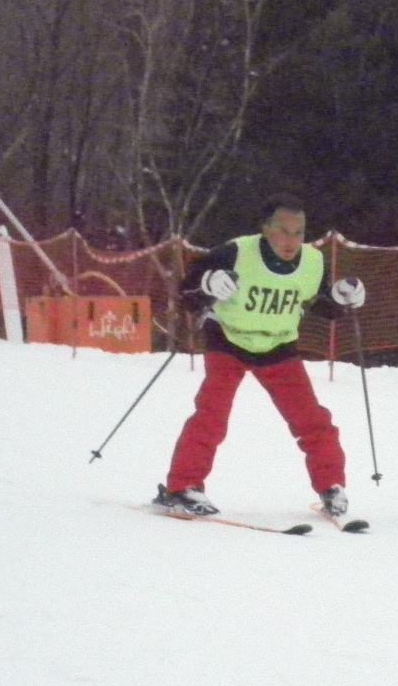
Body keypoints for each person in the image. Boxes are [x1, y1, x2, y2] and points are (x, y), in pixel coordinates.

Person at [154, 193, 366, 518]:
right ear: (264, 228)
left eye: (298, 232)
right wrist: (209, 284)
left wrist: (342, 297)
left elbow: (321, 303)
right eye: (283, 230)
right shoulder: (236, 252)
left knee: (313, 420)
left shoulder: (312, 261)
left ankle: (331, 487)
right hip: (229, 339)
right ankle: (183, 487)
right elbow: (187, 292)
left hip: (278, 346)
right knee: (212, 415)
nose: (291, 240)